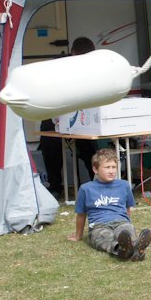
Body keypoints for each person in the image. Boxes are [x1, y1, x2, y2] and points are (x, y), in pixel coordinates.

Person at [39, 36, 97, 198]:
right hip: (58, 112)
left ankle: (98, 181)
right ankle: (55, 185)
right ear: (72, 54)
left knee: (90, 145)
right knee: (49, 139)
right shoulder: (58, 66)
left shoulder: (96, 67)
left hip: (84, 114)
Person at [70, 148, 151, 261]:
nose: (111, 171)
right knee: (103, 237)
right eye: (107, 167)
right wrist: (78, 235)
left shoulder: (124, 185)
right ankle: (124, 250)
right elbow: (81, 214)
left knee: (126, 231)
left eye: (114, 167)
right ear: (95, 169)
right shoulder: (85, 189)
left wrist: (128, 223)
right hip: (99, 225)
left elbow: (127, 209)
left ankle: (132, 247)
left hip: (121, 221)